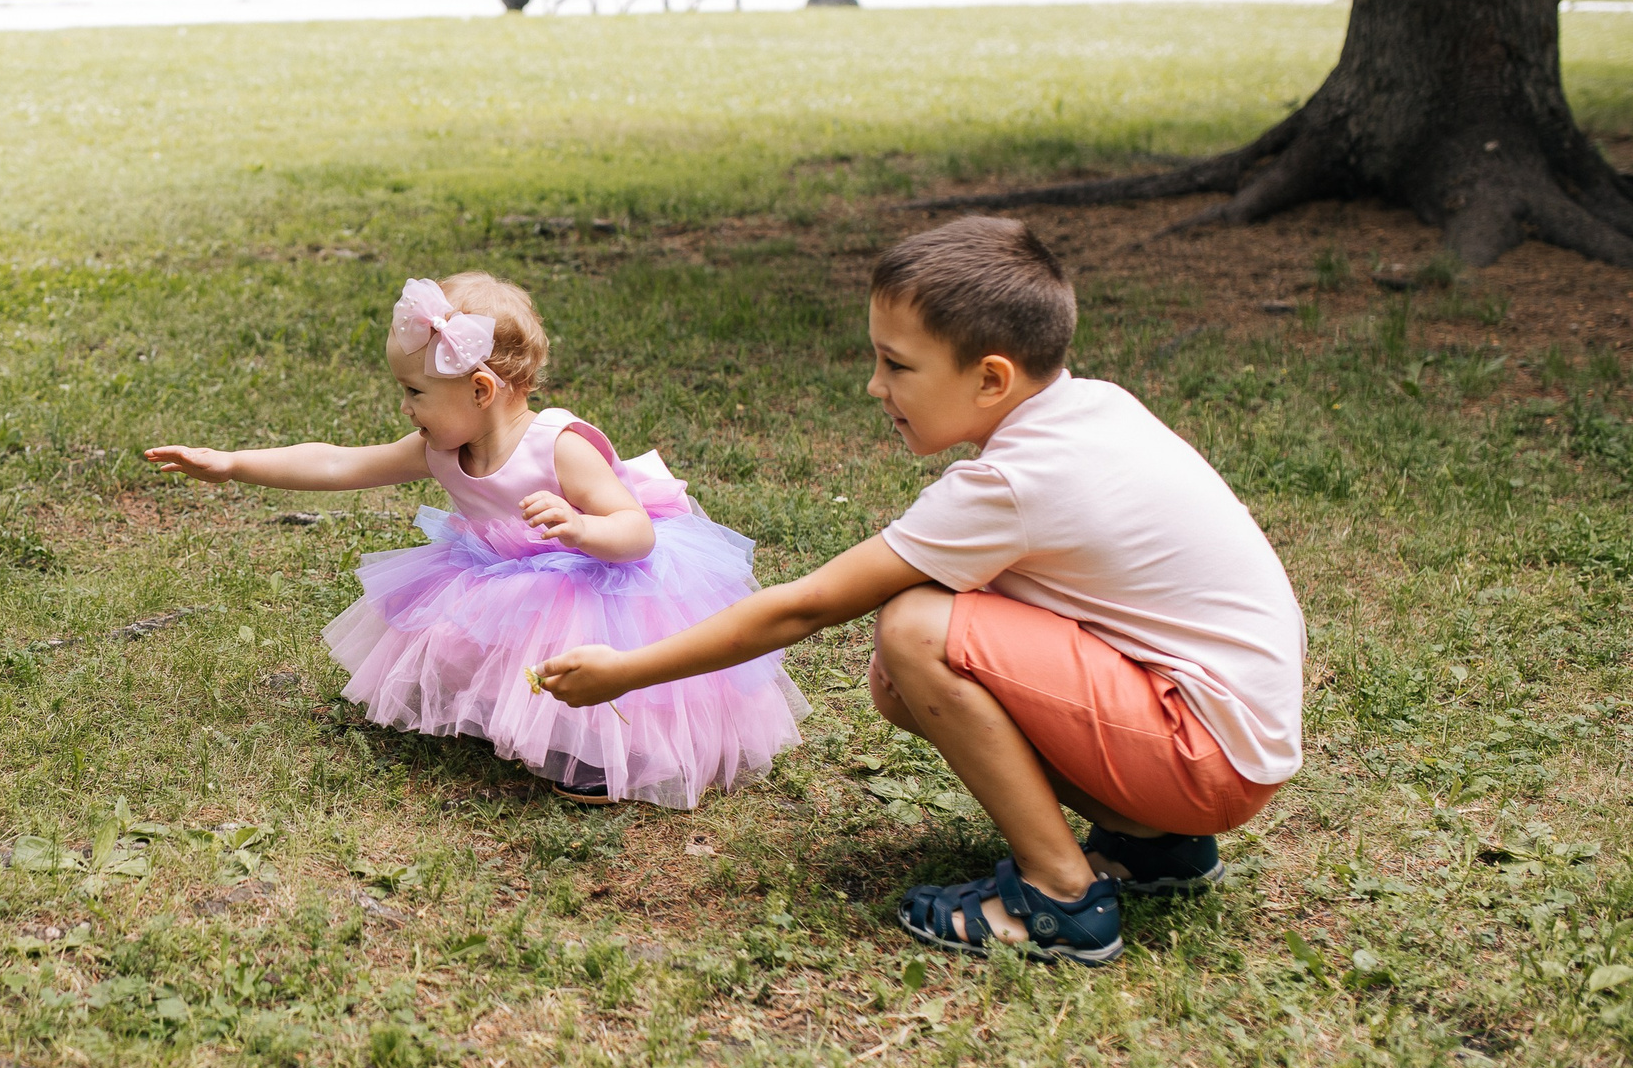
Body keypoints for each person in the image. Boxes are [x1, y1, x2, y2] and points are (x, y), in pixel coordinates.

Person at [537, 218, 1304, 964]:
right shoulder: (1091, 407)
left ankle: (1063, 899)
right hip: (1226, 738)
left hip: (1203, 754)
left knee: (914, 631)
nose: (875, 386)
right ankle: (1156, 844)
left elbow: (805, 604)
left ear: (991, 377)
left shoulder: (1013, 481)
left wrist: (628, 670)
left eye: (897, 365)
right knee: (901, 678)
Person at [146, 273, 805, 808]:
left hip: (598, 580)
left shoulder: (559, 447)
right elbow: (339, 463)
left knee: (566, 634)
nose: (405, 408)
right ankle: (515, 708)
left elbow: (634, 535)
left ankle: (603, 749)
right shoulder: (442, 446)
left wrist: (580, 528)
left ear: (481, 389)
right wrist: (232, 462)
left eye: (415, 392)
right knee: (485, 622)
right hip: (508, 574)